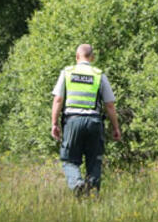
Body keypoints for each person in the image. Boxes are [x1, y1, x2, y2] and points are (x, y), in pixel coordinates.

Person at [51, 44, 121, 196]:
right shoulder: (99, 75)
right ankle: (92, 196)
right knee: (94, 161)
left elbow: (58, 100)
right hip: (94, 122)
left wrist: (54, 124)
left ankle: (77, 184)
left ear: (77, 57)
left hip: (72, 121)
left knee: (69, 160)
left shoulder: (67, 73)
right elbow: (109, 104)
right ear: (92, 57)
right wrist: (116, 128)